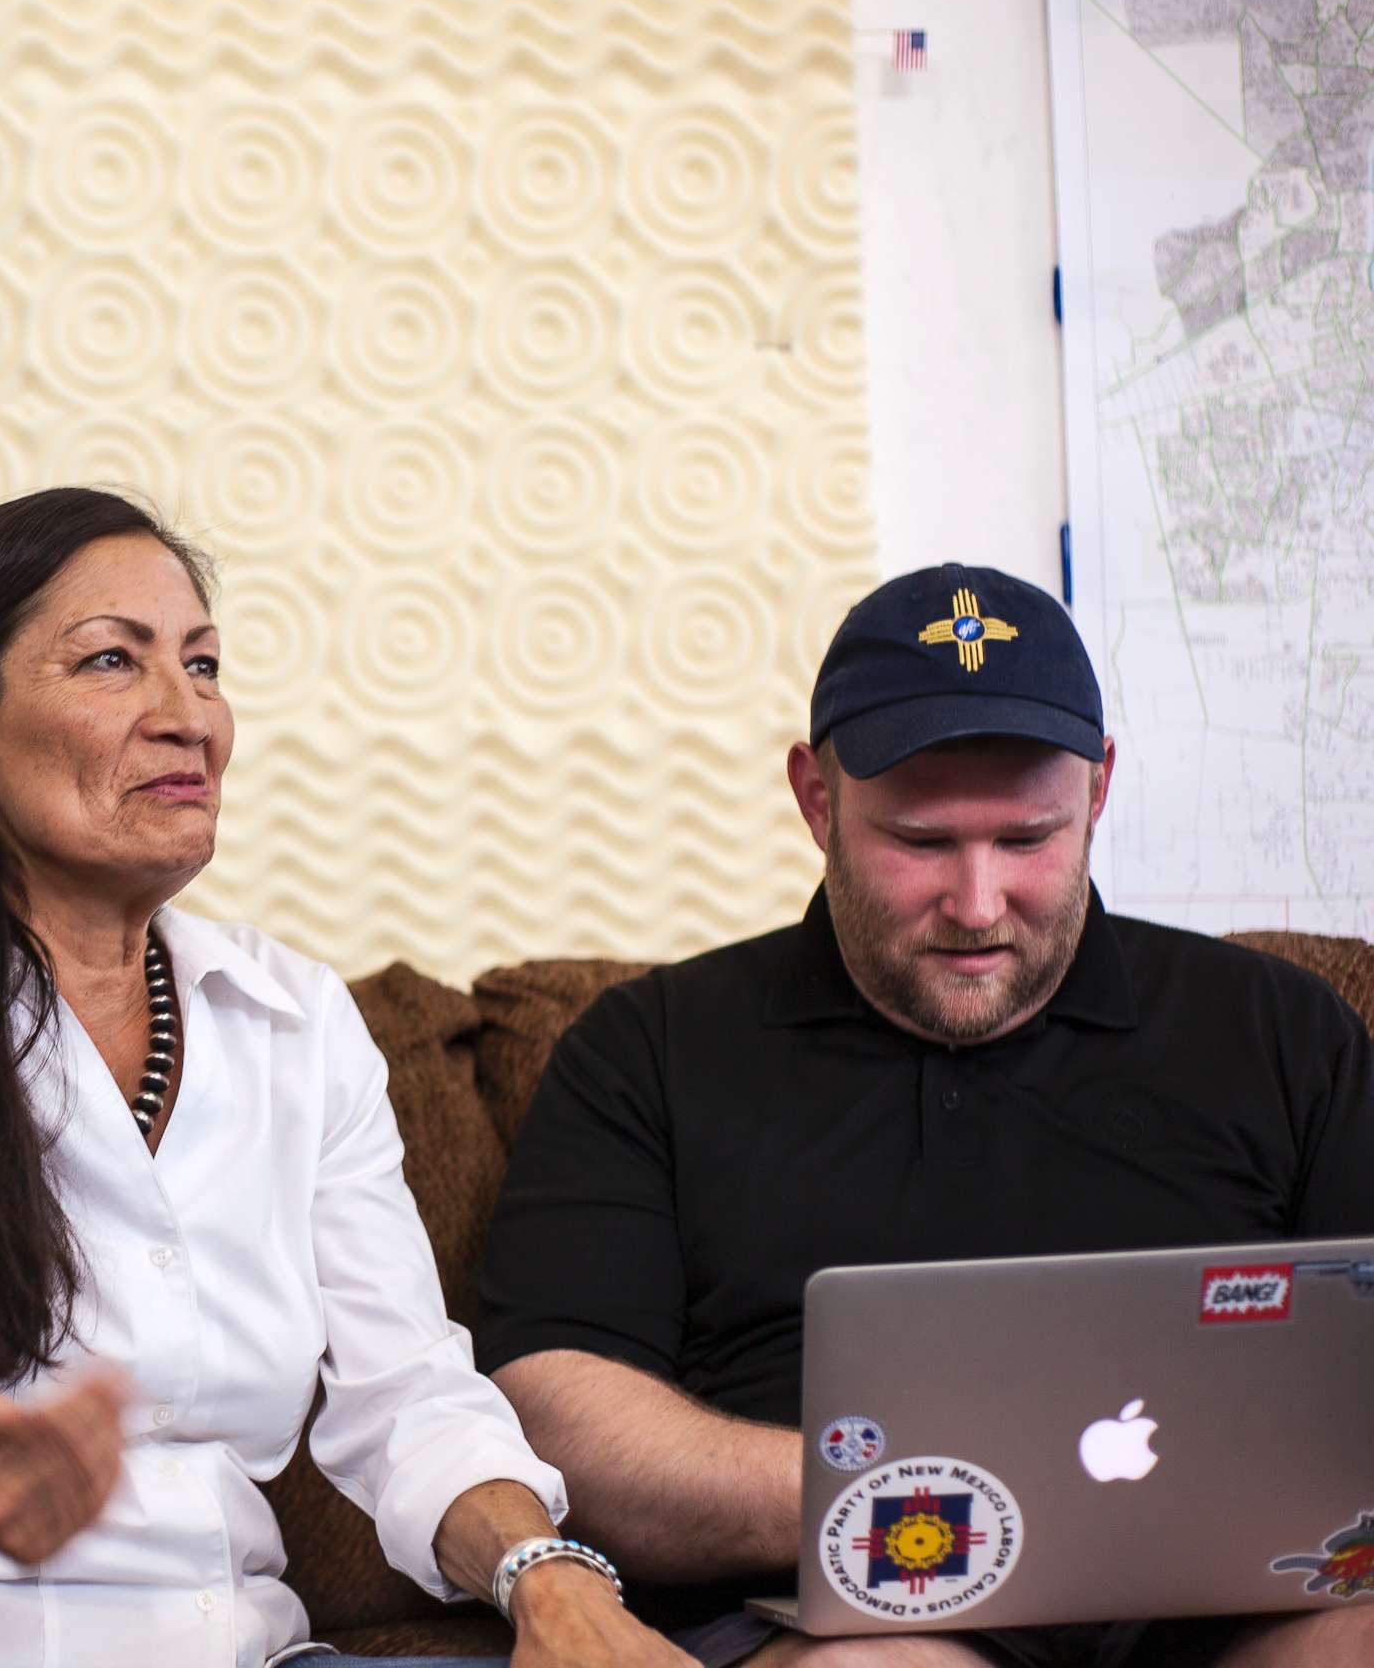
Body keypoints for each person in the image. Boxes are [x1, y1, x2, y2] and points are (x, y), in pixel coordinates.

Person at [0, 488, 690, 1666]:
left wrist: (546, 1579)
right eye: (113, 662)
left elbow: (407, 1399)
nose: (186, 715)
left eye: (203, 667)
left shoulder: (293, 1023)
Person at [476, 563, 1374, 1668]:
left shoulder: (1281, 1031)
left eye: (1029, 838)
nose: (979, 904)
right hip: (865, 1610)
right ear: (817, 799)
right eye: (922, 843)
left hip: (1235, 1609)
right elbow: (558, 1412)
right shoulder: (645, 1048)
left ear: (1098, 791)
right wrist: (956, 1499)